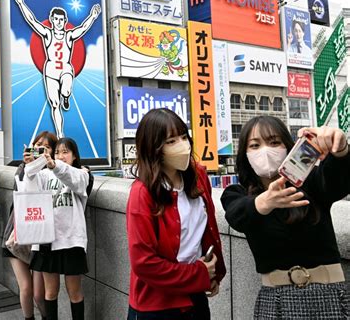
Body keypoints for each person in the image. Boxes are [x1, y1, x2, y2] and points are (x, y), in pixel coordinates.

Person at [220, 116, 350, 318]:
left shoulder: (312, 182)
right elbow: (236, 215)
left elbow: (338, 179)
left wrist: (341, 151)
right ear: (245, 154)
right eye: (255, 145)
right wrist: (264, 202)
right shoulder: (237, 193)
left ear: (289, 146)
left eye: (274, 142)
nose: (265, 151)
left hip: (328, 295)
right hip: (275, 301)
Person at [126, 108, 226, 320]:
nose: (182, 145)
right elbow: (143, 262)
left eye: (183, 136)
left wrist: (212, 274)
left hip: (195, 295)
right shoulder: (142, 193)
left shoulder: (198, 175)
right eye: (171, 141)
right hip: (157, 305)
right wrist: (199, 274)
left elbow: (206, 231)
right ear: (153, 148)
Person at [11, 0, 101, 137]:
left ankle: (66, 96)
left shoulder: (69, 35)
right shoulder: (47, 33)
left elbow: (84, 28)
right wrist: (20, 2)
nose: (58, 22)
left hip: (65, 68)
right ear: (52, 20)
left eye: (61, 20)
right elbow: (32, 20)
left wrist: (93, 15)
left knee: (65, 90)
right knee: (54, 104)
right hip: (51, 70)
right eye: (56, 19)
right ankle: (60, 134)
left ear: (65, 21)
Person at [25, 137, 89, 320]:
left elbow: (74, 180)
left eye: (65, 152)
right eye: (57, 152)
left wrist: (54, 165)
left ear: (74, 155)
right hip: (47, 240)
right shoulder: (45, 175)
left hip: (72, 240)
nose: (60, 156)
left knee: (74, 293)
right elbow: (30, 192)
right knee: (50, 293)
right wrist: (31, 165)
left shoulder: (82, 174)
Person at [2, 131, 58, 320]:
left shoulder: (55, 172)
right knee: (25, 288)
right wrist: (30, 165)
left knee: (38, 294)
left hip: (41, 237)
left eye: (46, 147)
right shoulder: (22, 170)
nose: (41, 150)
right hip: (17, 235)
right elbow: (24, 189)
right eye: (38, 145)